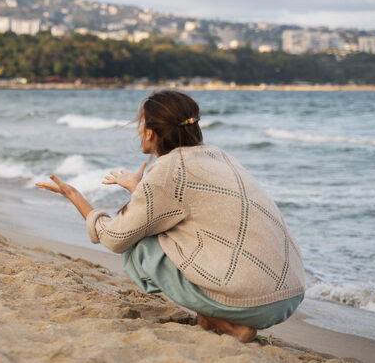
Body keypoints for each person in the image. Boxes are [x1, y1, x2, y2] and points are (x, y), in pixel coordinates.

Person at [36, 90, 304, 342]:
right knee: (176, 232)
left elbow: (116, 237)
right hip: (288, 294)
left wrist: (73, 195)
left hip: (251, 302)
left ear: (151, 133)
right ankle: (209, 319)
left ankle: (229, 326)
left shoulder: (168, 171)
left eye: (140, 124)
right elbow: (189, 210)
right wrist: (139, 189)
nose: (138, 130)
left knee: (140, 246)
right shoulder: (219, 156)